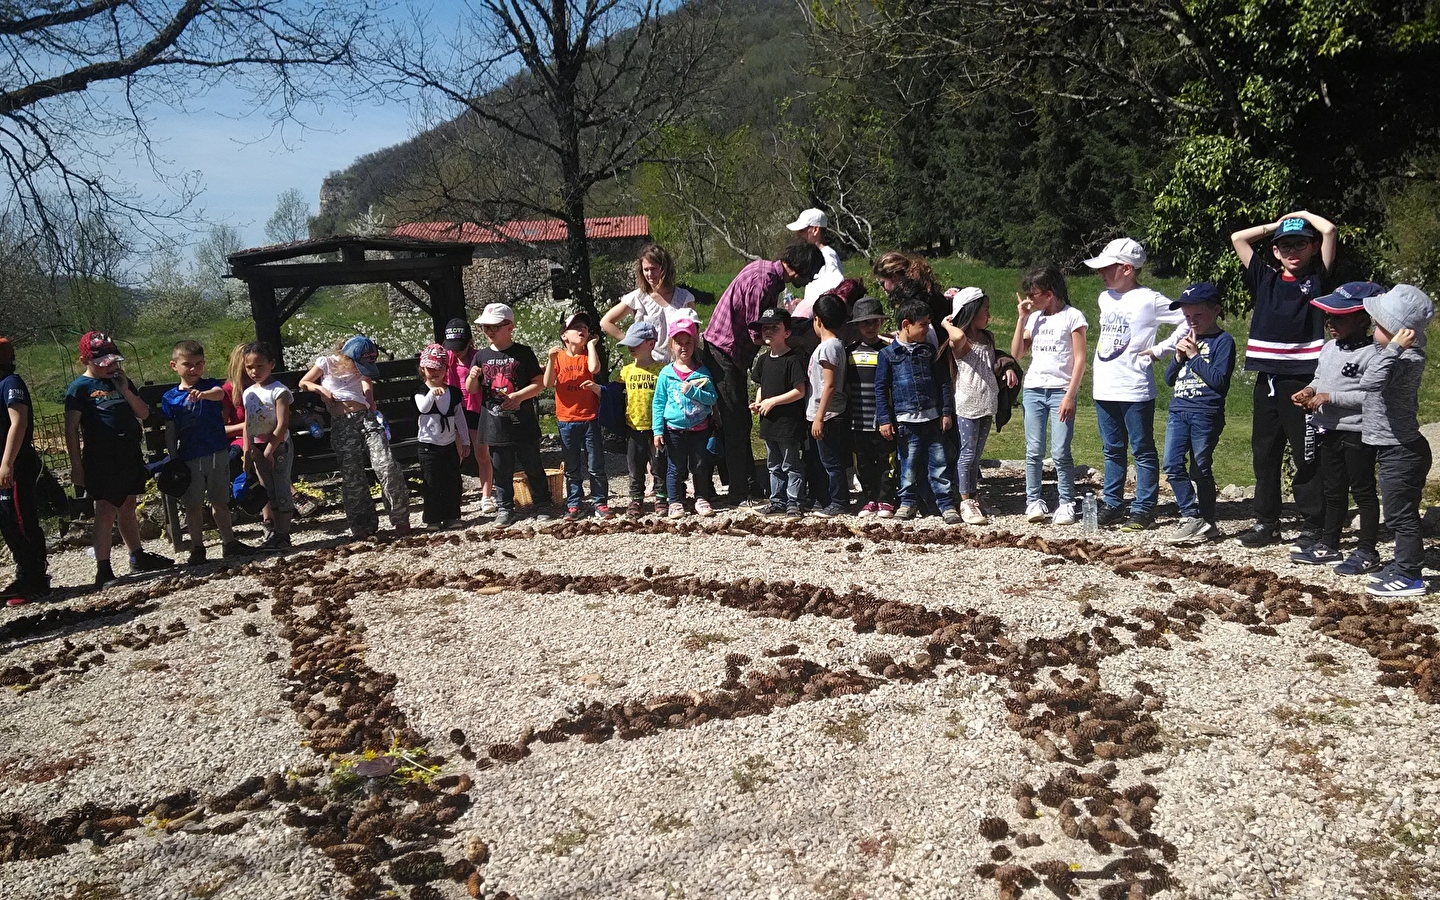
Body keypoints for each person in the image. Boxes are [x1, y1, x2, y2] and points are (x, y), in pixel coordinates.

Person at [1229, 211, 1337, 548]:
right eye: (1285, 245)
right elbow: (1238, 239)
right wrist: (1278, 227)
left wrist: (1301, 215)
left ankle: (1313, 525)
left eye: (1300, 244)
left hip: (1302, 381)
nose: (1292, 251)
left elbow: (1330, 229)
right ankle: (1266, 523)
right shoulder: (1266, 277)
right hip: (1268, 380)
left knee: (1306, 455)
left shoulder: (1318, 279)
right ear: (1275, 251)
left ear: (1312, 247)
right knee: (1264, 454)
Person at [702, 242, 823, 506]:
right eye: (811, 273)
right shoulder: (764, 280)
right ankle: (739, 490)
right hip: (724, 351)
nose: (810, 279)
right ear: (801, 268)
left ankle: (746, 484)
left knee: (740, 419)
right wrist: (792, 341)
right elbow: (757, 330)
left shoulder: (768, 274)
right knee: (735, 421)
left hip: (730, 353)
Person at [1085, 238, 1187, 532]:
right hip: (1105, 385)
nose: (1101, 274)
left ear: (1127, 268)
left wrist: (1162, 349)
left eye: (1107, 268)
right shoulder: (1105, 298)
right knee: (1112, 448)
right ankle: (1113, 503)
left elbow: (1187, 318)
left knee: (1142, 448)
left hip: (1135, 387)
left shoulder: (1150, 299)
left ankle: (1143, 508)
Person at [65, 332, 175, 587]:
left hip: (128, 451)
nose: (110, 367)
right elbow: (71, 429)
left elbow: (144, 413)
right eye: (103, 363)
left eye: (113, 361)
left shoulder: (120, 381)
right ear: (85, 360)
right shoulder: (80, 388)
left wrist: (124, 389)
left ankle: (136, 555)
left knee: (128, 504)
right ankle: (103, 569)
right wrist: (76, 466)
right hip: (102, 457)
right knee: (105, 509)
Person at [1288, 282, 1384, 572]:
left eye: (1340, 317)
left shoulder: (1374, 353)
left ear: (1363, 319)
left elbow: (1372, 396)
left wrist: (1331, 397)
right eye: (1329, 317)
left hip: (1357, 432)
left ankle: (1367, 549)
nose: (1331, 322)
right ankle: (1329, 543)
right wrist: (1309, 390)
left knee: (1363, 491)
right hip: (1326, 429)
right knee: (1333, 489)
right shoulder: (1329, 348)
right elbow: (1320, 378)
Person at [1353, 285, 1434, 597]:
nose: (1374, 328)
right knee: (1398, 510)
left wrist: (1394, 349)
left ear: (1400, 334)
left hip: (1402, 450)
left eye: (1380, 325)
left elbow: (1370, 382)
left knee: (1401, 514)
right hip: (1392, 448)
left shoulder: (1406, 359)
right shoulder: (1393, 357)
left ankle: (1410, 575)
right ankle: (1402, 564)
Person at [300, 336, 411, 540]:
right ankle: (362, 523)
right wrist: (321, 389)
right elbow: (304, 382)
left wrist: (370, 400)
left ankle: (400, 517)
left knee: (386, 465)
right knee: (352, 473)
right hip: (342, 422)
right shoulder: (326, 362)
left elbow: (366, 381)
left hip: (365, 418)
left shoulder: (362, 366)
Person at [161, 340, 254, 564]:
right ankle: (197, 547)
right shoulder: (170, 398)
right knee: (192, 505)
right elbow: (170, 430)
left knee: (220, 501)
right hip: (190, 457)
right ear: (175, 366)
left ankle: (229, 542)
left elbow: (219, 394)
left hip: (217, 451)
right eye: (188, 365)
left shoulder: (210, 386)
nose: (193, 369)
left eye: (199, 364)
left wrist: (202, 395)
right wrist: (173, 457)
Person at [1010, 265, 1088, 524]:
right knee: (1033, 450)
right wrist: (1021, 319)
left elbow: (1080, 360)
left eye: (1034, 295)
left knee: (1060, 450)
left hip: (1060, 390)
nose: (1030, 300)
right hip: (1033, 389)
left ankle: (1066, 502)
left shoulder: (1073, 317)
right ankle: (1033, 501)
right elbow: (1016, 354)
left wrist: (1069, 395)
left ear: (1050, 293)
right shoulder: (1035, 318)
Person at [875, 298, 961, 524]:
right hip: (905, 421)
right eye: (923, 324)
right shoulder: (888, 356)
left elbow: (943, 382)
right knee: (908, 465)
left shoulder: (928, 352)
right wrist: (885, 419)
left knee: (939, 464)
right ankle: (907, 502)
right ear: (906, 324)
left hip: (932, 419)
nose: (927, 329)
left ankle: (946, 504)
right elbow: (881, 389)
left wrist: (945, 412)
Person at [1161, 283, 1235, 545]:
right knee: (1171, 463)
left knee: (1200, 467)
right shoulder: (1189, 342)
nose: (1192, 323)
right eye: (1187, 318)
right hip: (1179, 410)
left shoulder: (1223, 342)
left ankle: (1208, 521)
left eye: (1198, 316)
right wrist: (1178, 357)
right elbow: (1169, 379)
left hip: (1206, 413)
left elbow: (1219, 381)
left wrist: (1194, 358)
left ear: (1215, 310)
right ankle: (1192, 515)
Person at [466, 303, 551, 528]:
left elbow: (539, 382)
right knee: (501, 469)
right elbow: (471, 389)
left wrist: (520, 396)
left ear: (509, 326)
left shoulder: (523, 353)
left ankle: (543, 503)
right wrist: (473, 377)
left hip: (522, 422)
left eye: (494, 326)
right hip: (494, 423)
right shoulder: (481, 356)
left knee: (532, 464)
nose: (489, 331)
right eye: (485, 327)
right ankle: (505, 508)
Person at [941, 288, 1019, 526]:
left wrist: (1006, 368)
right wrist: (946, 324)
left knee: (976, 455)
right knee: (966, 453)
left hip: (987, 401)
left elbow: (993, 360)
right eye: (984, 310)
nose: (989, 315)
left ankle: (973, 494)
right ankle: (964, 499)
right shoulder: (962, 341)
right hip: (967, 403)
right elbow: (956, 338)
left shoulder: (988, 337)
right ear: (971, 312)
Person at [545, 309, 610, 520]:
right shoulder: (558, 357)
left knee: (596, 465)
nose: (582, 330)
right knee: (572, 466)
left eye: (585, 327)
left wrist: (591, 346)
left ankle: (600, 502)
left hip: (589, 418)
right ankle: (574, 503)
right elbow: (547, 383)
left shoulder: (587, 355)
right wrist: (550, 359)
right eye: (576, 327)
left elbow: (594, 367)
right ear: (564, 335)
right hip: (566, 420)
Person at [653, 317, 719, 518]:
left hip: (699, 428)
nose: (684, 347)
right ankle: (674, 501)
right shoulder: (666, 374)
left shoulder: (702, 372)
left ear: (695, 344)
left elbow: (712, 398)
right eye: (679, 343)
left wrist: (694, 392)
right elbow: (658, 403)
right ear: (671, 345)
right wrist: (657, 430)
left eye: (688, 342)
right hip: (674, 430)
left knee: (700, 465)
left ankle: (701, 498)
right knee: (675, 466)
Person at [0, 337, 49, 605]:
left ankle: (36, 578)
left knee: (21, 519)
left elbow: (18, 423)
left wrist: (7, 463)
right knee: (7, 523)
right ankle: (23, 572)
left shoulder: (11, 384)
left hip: (15, 465)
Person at [749, 308, 807, 517]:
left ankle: (794, 501)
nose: (769, 331)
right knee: (773, 464)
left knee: (790, 463)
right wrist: (758, 402)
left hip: (788, 422)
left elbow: (799, 391)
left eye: (775, 327)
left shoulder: (793, 359)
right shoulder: (763, 360)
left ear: (787, 333)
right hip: (769, 421)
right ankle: (777, 500)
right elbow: (761, 386)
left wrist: (773, 402)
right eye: (765, 327)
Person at [600, 245, 697, 364]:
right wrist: (632, 342)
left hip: (678, 365)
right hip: (648, 367)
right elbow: (606, 322)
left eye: (653, 268)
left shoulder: (684, 297)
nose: (650, 274)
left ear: (665, 268)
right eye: (646, 270)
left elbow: (694, 331)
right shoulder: (638, 297)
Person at [240, 341, 295, 551]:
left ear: (271, 365)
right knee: (267, 489)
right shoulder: (249, 393)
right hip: (257, 447)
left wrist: (270, 449)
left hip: (277, 447)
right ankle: (273, 531)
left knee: (281, 488)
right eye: (249, 367)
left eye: (259, 366)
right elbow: (248, 423)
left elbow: (282, 424)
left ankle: (284, 533)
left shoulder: (278, 391)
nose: (254, 371)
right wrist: (247, 450)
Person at [845, 297, 895, 518]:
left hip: (882, 418)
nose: (870, 326)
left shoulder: (889, 351)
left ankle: (886, 499)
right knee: (863, 463)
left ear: (881, 323)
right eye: (865, 322)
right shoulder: (850, 352)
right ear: (857, 325)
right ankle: (870, 498)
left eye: (875, 321)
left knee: (887, 461)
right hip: (858, 418)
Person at [443, 318, 495, 515]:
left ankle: (486, 496)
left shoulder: (478, 357)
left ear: (470, 342)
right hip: (453, 411)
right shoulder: (445, 357)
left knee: (481, 454)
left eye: (461, 347)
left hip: (474, 410)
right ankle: (452, 497)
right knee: (455, 455)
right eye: (453, 347)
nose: (457, 352)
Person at [415, 343, 470, 528]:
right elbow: (422, 408)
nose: (435, 372)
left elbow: (460, 417)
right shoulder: (421, 391)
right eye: (430, 368)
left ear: (446, 369)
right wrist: (431, 394)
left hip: (449, 444)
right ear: (423, 369)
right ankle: (432, 518)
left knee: (452, 481)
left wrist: (465, 440)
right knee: (432, 482)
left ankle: (451, 515)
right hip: (428, 446)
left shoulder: (453, 393)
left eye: (439, 367)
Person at [616, 321, 667, 517]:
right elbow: (615, 395)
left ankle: (661, 497)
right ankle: (636, 499)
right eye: (629, 344)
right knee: (635, 467)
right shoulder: (625, 372)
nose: (631, 348)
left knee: (659, 464)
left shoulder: (662, 371)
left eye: (636, 344)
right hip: (633, 427)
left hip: (656, 428)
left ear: (651, 344)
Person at [806, 294, 851, 516]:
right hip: (824, 413)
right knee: (822, 460)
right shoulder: (833, 346)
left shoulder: (828, 348)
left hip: (829, 413)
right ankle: (825, 498)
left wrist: (819, 417)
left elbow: (830, 384)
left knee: (831, 461)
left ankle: (839, 501)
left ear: (818, 320)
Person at [785, 208, 844, 319]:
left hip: (823, 320)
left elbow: (835, 289)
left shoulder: (826, 255)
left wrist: (813, 306)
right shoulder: (816, 258)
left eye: (802, 230)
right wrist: (804, 303)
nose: (797, 235)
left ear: (815, 230)